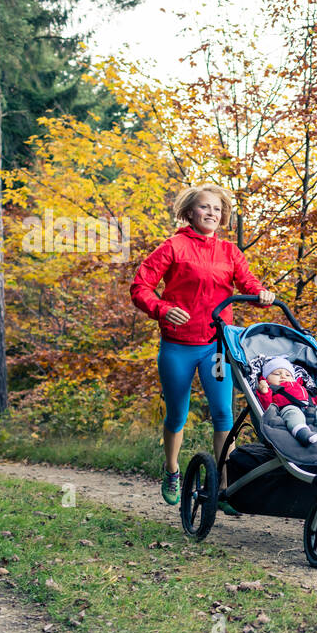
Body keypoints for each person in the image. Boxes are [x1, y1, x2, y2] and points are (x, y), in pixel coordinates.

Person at [130, 183, 275, 507]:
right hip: (178, 346)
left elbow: (248, 282)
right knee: (177, 415)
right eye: (205, 207)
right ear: (189, 212)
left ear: (222, 216)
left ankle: (225, 489)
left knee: (224, 414)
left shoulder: (229, 253)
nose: (212, 213)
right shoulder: (173, 246)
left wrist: (262, 294)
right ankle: (171, 469)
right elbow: (141, 287)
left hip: (216, 347)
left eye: (217, 209)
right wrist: (162, 309)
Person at [255, 356, 317, 446]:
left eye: (288, 374)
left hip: (310, 409)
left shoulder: (301, 387)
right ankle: (303, 434)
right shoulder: (271, 389)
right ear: (266, 378)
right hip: (287, 410)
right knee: (293, 414)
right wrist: (264, 392)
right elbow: (267, 407)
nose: (283, 376)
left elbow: (310, 400)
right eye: (277, 374)